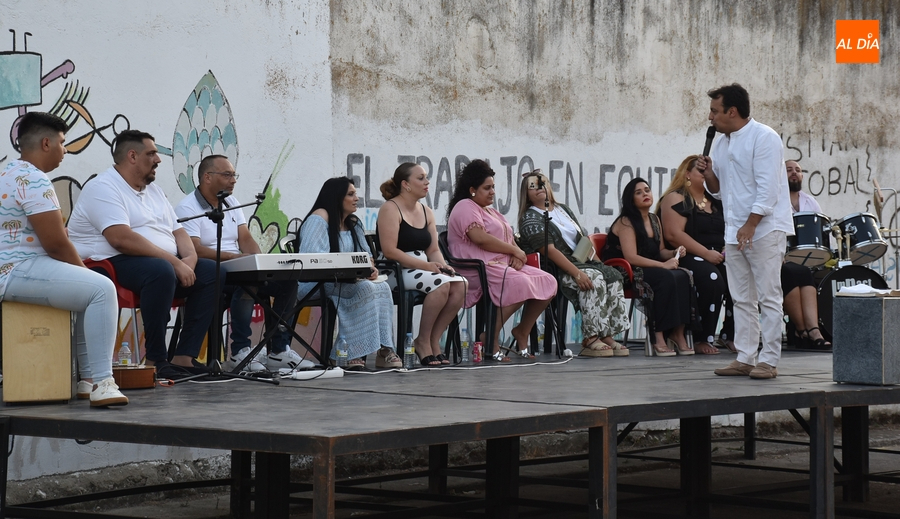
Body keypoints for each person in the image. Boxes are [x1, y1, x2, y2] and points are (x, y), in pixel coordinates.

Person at [68, 130, 222, 379]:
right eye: (151, 154)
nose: (158, 160)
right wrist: (173, 262)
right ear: (132, 156)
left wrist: (190, 260)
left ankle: (184, 356)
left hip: (156, 264)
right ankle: (156, 359)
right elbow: (120, 239)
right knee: (160, 271)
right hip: (110, 262)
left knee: (212, 272)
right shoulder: (103, 187)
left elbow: (179, 232)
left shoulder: (155, 191)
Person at [0, 112, 127, 406]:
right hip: (17, 270)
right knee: (100, 287)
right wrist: (83, 269)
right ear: (46, 143)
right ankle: (104, 384)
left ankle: (89, 381)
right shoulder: (34, 180)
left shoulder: (8, 173)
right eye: (62, 142)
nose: (65, 150)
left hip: (14, 268)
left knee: (89, 288)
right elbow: (56, 244)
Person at [174, 155, 311, 372]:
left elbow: (245, 238)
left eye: (234, 175)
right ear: (207, 177)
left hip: (237, 266)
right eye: (227, 175)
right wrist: (235, 259)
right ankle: (240, 350)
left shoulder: (231, 202)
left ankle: (279, 349)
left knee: (287, 278)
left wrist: (257, 263)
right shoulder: (187, 207)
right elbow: (194, 249)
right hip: (212, 273)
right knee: (247, 283)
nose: (233, 180)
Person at [699, 83, 794, 379]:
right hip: (735, 231)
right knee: (741, 298)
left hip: (764, 229)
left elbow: (767, 189)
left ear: (732, 111)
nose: (710, 117)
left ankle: (769, 360)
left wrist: (751, 224)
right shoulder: (722, 142)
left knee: (768, 296)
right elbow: (718, 192)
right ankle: (745, 356)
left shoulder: (764, 137)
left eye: (715, 111)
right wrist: (709, 175)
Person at [446, 159, 557, 361]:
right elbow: (480, 239)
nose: (492, 192)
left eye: (493, 187)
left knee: (548, 281)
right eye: (487, 188)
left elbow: (510, 239)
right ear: (472, 189)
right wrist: (514, 252)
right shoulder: (465, 206)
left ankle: (522, 331)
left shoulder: (492, 211)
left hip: (501, 265)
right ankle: (490, 337)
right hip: (478, 268)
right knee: (521, 283)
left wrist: (517, 254)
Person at [517, 169, 631, 357]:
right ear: (526, 194)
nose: (539, 188)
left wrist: (599, 263)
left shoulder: (563, 209)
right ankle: (591, 337)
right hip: (559, 269)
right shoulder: (531, 218)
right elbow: (550, 252)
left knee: (612, 275)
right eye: (532, 186)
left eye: (542, 183)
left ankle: (608, 334)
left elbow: (583, 240)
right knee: (594, 278)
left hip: (581, 262)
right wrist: (577, 274)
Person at [297, 177, 399, 370]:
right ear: (337, 197)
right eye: (350, 194)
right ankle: (350, 352)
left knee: (382, 286)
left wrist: (370, 268)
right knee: (365, 289)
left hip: (346, 281)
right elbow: (312, 260)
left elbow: (366, 255)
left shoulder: (354, 223)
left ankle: (385, 350)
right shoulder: (319, 219)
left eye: (355, 193)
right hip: (314, 283)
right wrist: (349, 272)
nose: (356, 198)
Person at [377, 163, 466, 366]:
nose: (427, 182)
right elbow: (390, 251)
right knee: (440, 284)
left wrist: (443, 267)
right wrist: (426, 267)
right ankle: (422, 341)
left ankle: (434, 339)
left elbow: (433, 250)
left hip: (423, 268)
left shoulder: (426, 211)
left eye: (426, 178)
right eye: (421, 178)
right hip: (397, 270)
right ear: (406, 184)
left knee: (460, 283)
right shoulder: (390, 208)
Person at [602, 177, 694, 356]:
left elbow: (660, 251)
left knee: (684, 275)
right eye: (638, 192)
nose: (645, 194)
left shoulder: (654, 219)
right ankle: (657, 336)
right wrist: (663, 265)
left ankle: (677, 333)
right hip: (626, 271)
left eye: (647, 190)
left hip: (651, 267)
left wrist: (674, 252)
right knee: (665, 277)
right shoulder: (626, 222)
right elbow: (631, 257)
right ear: (631, 199)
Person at [658, 155, 732, 355]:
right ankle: (702, 337)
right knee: (712, 278)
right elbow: (674, 235)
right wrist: (706, 253)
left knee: (741, 277)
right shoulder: (677, 197)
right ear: (687, 174)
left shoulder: (716, 202)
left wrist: (725, 251)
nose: (706, 175)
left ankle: (730, 335)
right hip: (687, 254)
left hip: (717, 256)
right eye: (701, 171)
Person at [783, 160, 831, 348]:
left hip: (804, 262)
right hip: (779, 258)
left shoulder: (810, 202)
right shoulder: (774, 199)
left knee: (803, 272)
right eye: (788, 170)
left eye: (798, 170)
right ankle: (807, 330)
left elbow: (822, 232)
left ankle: (807, 330)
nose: (794, 173)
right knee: (796, 272)